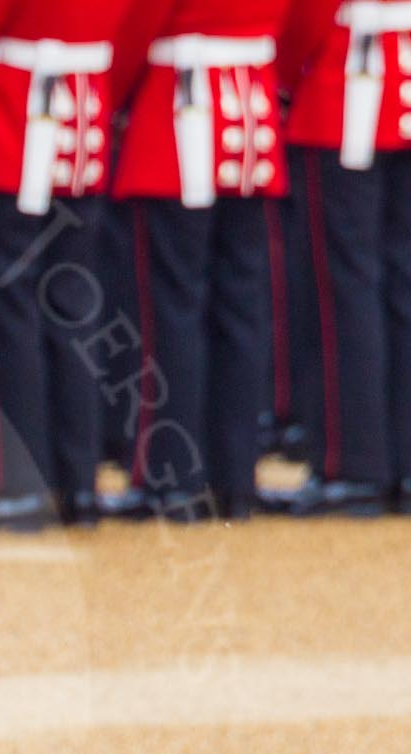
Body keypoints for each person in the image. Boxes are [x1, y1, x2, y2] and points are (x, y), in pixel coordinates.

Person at [0, 0, 134, 530]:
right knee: (72, 317)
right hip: (81, 123)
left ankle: (16, 484)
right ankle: (77, 484)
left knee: (7, 319)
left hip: (10, 122)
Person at [273, 0, 411, 516]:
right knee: (409, 278)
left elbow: (305, 18)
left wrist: (285, 74)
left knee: (345, 287)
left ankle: (351, 464)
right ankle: (407, 464)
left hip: (347, 81)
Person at [108, 0, 291, 522]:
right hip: (249, 114)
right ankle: (235, 478)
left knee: (172, 312)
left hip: (178, 113)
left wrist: (115, 93)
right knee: (241, 310)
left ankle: (174, 479)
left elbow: (135, 28)